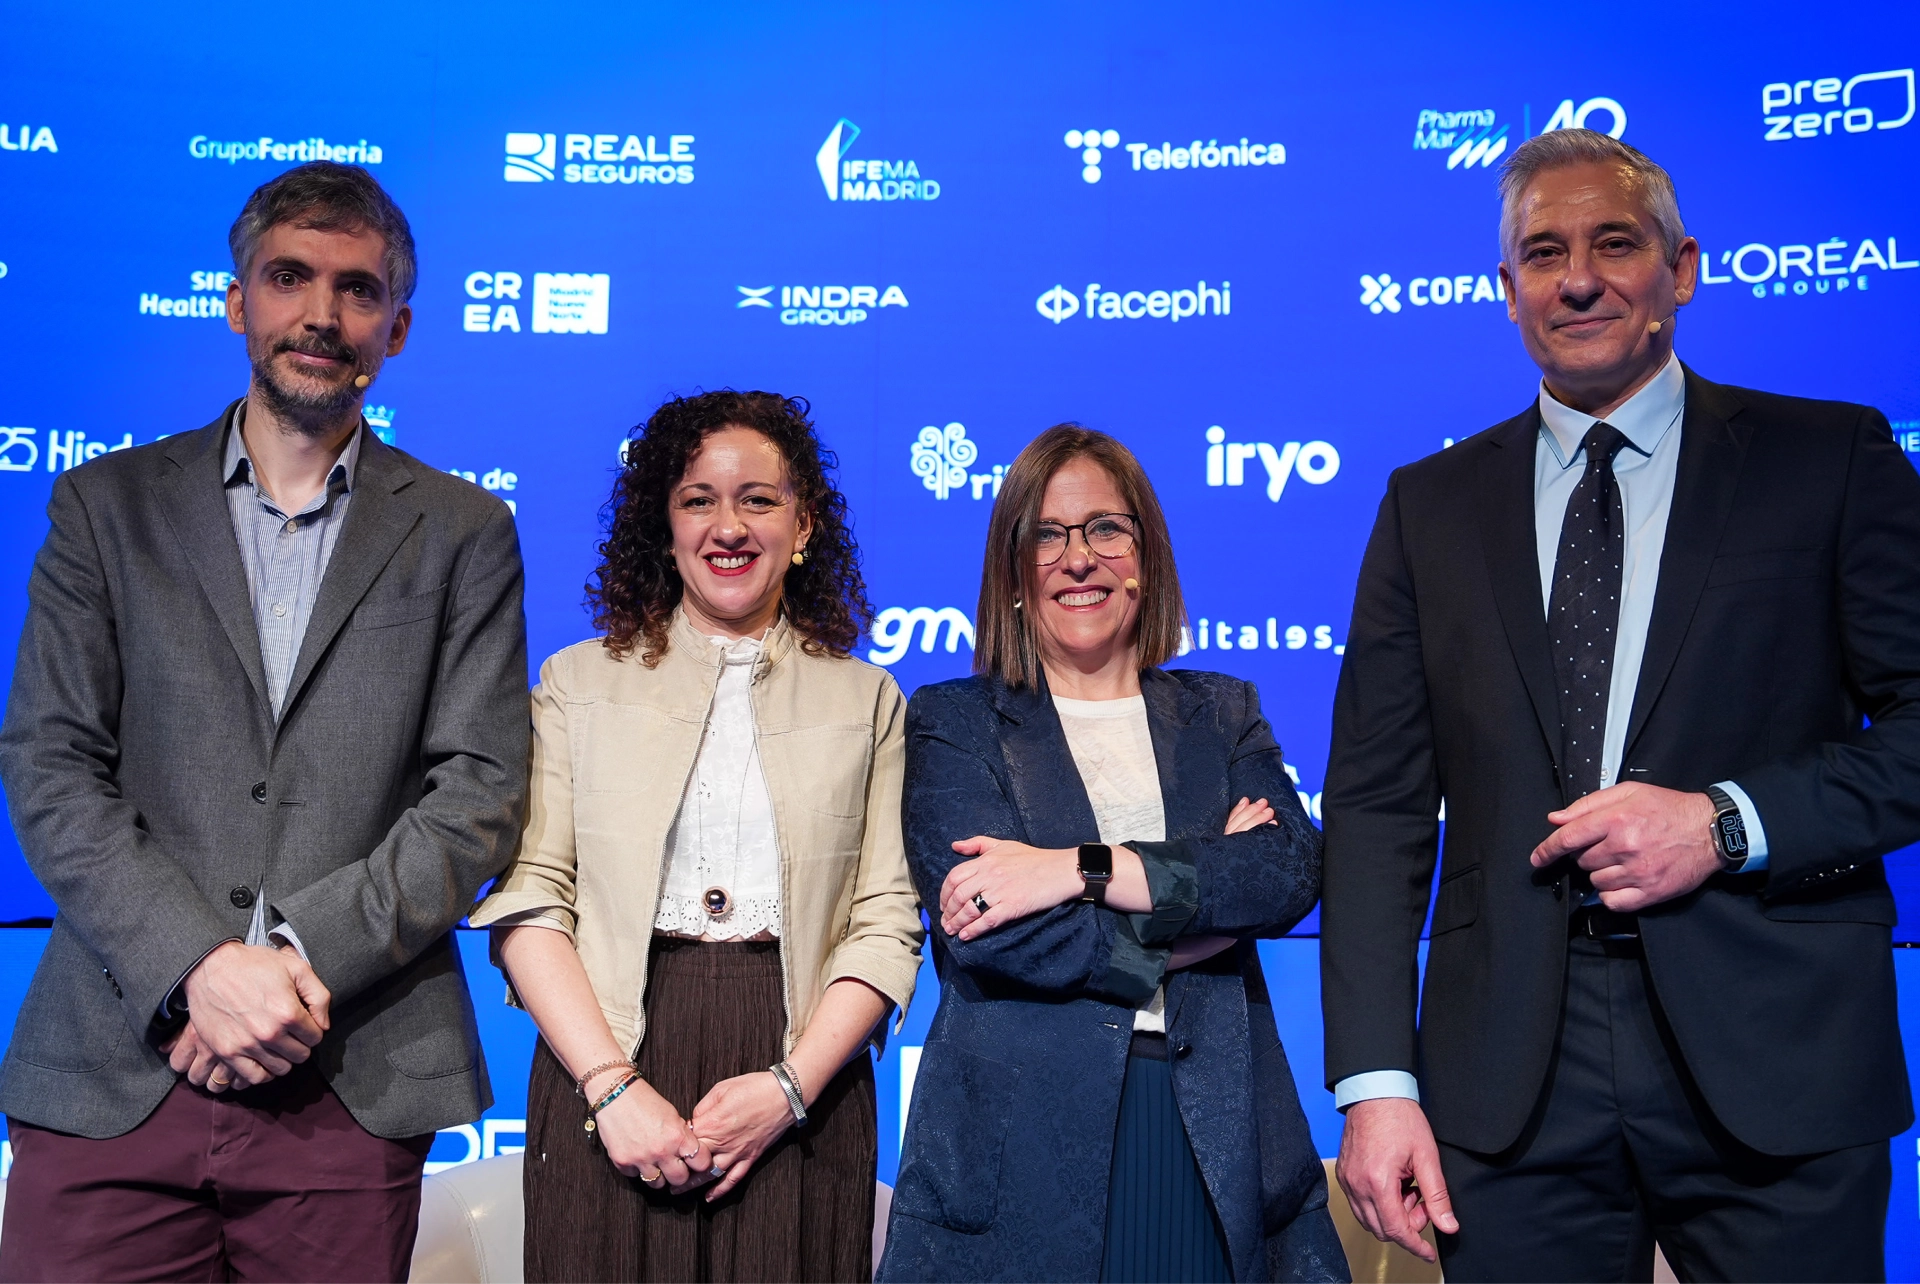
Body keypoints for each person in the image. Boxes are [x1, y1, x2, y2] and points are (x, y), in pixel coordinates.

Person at [1322, 128, 1920, 1283]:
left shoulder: (1829, 459)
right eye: (1544, 253)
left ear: (1681, 270)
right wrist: (1377, 1085)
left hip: (1779, 1054)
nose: (1579, 277)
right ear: (1507, 293)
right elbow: (1378, 808)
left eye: (1614, 242)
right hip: (1511, 1080)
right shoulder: (1427, 508)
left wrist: (1726, 822)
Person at [0, 162, 530, 1280]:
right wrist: (199, 963)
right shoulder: (107, 506)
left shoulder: (463, 530)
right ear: (237, 300)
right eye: (289, 278)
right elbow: (51, 764)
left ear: (398, 328)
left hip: (346, 1071)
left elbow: (478, 794)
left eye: (357, 289)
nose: (321, 315)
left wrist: (288, 962)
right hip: (113, 1059)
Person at [471, 390, 923, 1283]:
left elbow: (884, 925)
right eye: (697, 499)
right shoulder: (574, 684)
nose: (729, 525)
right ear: (664, 527)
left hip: (803, 1074)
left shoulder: (868, 700)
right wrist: (611, 1088)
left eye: (759, 499)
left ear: (804, 524)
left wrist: (787, 1090)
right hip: (608, 1056)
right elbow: (528, 903)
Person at [878, 425, 1346, 1284]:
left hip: (1213, 1133)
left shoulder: (1220, 710)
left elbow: (1283, 875)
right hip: (1020, 1144)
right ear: (1014, 573)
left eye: (1105, 529)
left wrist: (1073, 870)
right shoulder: (957, 720)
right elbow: (990, 927)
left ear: (1145, 555)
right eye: (1046, 536)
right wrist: (1201, 904)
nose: (1078, 558)